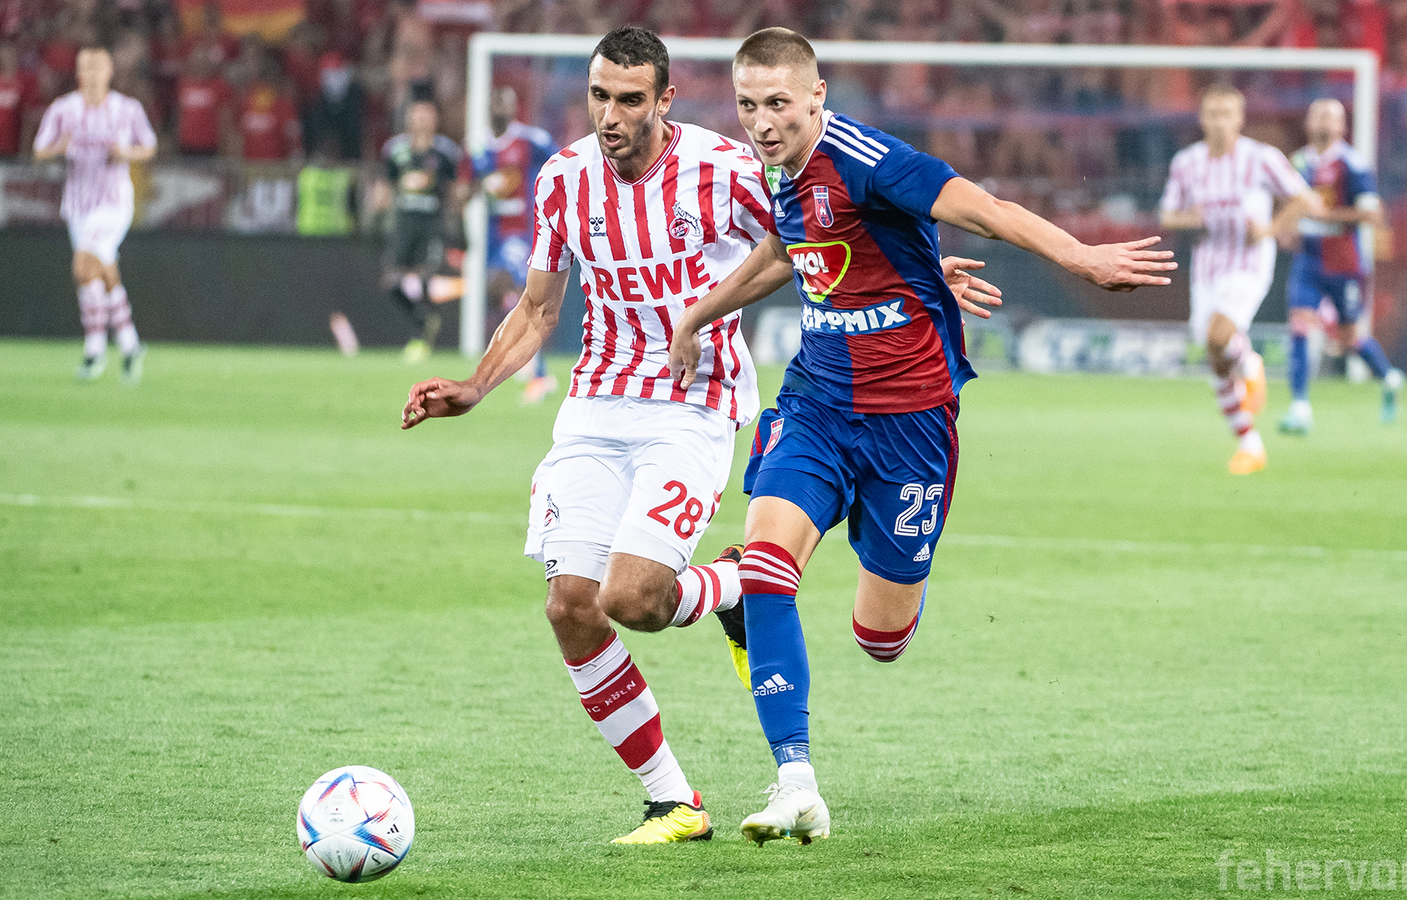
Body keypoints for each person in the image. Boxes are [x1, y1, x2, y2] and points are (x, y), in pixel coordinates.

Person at [667, 27, 1175, 846]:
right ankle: (795, 780)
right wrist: (696, 314)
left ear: (817, 97)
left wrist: (1080, 257)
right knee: (765, 567)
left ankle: (864, 561)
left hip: (911, 423)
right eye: (748, 105)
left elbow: (988, 210)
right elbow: (785, 251)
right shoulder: (776, 166)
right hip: (817, 404)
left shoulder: (868, 159)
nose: (761, 122)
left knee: (882, 639)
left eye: (778, 104)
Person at [398, 25, 773, 845]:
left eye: (630, 100)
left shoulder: (724, 170)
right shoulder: (563, 180)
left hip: (691, 405)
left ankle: (737, 586)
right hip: (596, 407)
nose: (610, 115)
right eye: (599, 96)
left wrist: (918, 276)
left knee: (632, 600)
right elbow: (539, 306)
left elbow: (807, 242)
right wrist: (476, 385)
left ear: (665, 99)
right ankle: (673, 802)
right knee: (571, 607)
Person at [1159, 83, 1320, 474]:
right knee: (1214, 357)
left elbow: (1305, 199)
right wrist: (1189, 219)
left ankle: (1248, 363)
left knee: (1218, 336)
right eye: (1213, 114)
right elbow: (1167, 215)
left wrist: (1269, 229)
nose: (1219, 122)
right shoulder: (1186, 162)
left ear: (1240, 119)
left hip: (1249, 263)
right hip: (1207, 265)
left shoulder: (1261, 158)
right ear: (1201, 119)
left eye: (1227, 114)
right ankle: (1249, 442)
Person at [32, 44, 157, 384]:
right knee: (100, 274)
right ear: (77, 73)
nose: (91, 74)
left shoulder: (126, 109)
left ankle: (94, 350)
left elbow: (149, 146)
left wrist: (125, 153)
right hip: (77, 205)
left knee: (83, 266)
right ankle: (129, 344)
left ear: (109, 72)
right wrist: (57, 149)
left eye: (97, 67)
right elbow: (38, 151)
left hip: (113, 203)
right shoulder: (63, 109)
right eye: (85, 67)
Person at [1278, 97, 1402, 434]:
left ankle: (1389, 378)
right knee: (1299, 325)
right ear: (1307, 123)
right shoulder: (1298, 162)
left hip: (1344, 263)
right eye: (1317, 115)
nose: (1323, 122)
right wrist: (1287, 228)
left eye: (1330, 117)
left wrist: (1325, 217)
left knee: (1348, 338)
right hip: (1308, 259)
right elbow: (1291, 206)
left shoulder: (1353, 164)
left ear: (1342, 126)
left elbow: (1371, 213)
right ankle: (1299, 407)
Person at [471, 85, 559, 403]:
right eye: (496, 103)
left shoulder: (531, 140)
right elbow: (468, 185)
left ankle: (540, 374)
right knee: (501, 295)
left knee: (520, 295)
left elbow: (561, 162)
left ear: (513, 109)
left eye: (506, 104)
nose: (501, 110)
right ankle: (528, 362)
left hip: (521, 233)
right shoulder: (479, 147)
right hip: (494, 235)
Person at [372, 94, 465, 363]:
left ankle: (420, 339)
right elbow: (385, 185)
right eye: (417, 114)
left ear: (435, 118)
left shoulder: (446, 152)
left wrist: (458, 220)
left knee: (426, 277)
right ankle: (422, 319)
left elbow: (454, 191)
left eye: (427, 114)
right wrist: (377, 206)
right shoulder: (395, 149)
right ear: (408, 118)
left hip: (432, 223)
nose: (422, 119)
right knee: (391, 281)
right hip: (403, 223)